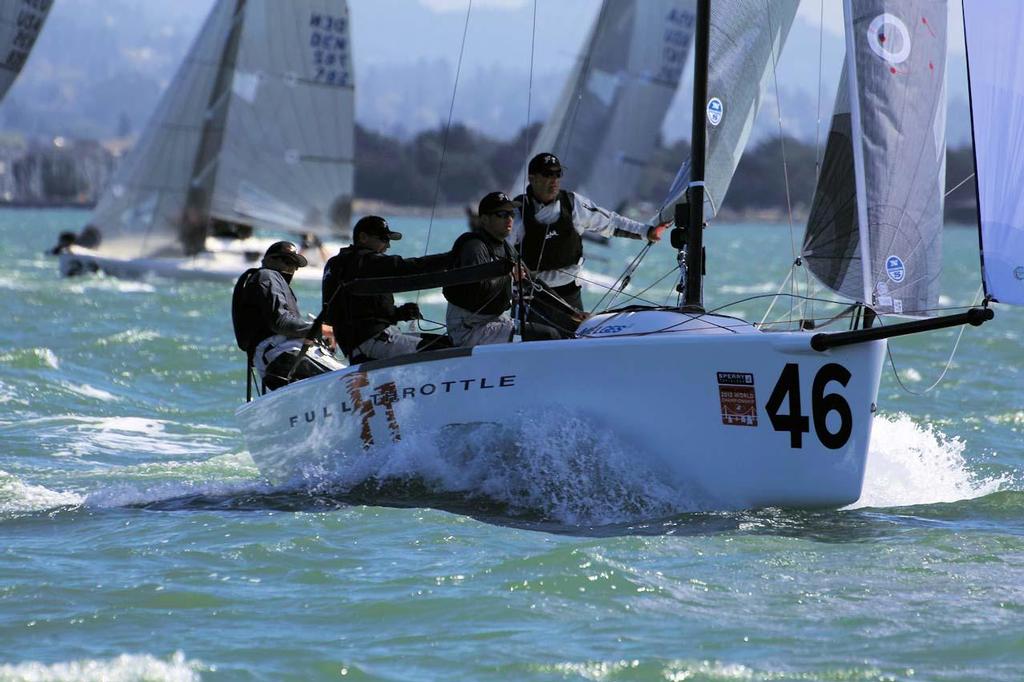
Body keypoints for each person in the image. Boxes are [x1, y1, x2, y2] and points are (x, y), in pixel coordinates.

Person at [512, 152, 668, 321]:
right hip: (532, 296)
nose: (554, 180)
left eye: (558, 174)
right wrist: (511, 267)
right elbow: (498, 250)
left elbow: (611, 222)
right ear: (532, 178)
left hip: (569, 295)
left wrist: (647, 232)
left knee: (572, 343)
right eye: (548, 174)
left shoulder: (573, 204)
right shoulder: (516, 213)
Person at [322, 216, 452, 362]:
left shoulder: (339, 263)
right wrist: (452, 258)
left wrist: (398, 314)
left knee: (449, 342)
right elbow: (410, 267)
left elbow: (351, 312)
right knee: (448, 353)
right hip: (371, 343)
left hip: (364, 342)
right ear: (363, 237)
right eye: (384, 239)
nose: (388, 246)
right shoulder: (362, 262)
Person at [444, 192, 561, 347]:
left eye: (511, 214)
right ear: (484, 219)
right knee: (549, 335)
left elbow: (533, 283)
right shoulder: (474, 247)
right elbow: (477, 289)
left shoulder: (507, 249)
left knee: (558, 330)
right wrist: (509, 276)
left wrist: (570, 312)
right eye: (502, 214)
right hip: (469, 329)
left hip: (494, 321)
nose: (510, 219)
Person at [232, 241, 342, 392]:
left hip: (273, 359)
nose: (291, 268)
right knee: (347, 380)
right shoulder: (267, 276)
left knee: (343, 378)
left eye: (295, 265)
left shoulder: (266, 281)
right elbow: (280, 323)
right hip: (280, 355)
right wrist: (320, 329)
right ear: (268, 260)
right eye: (286, 261)